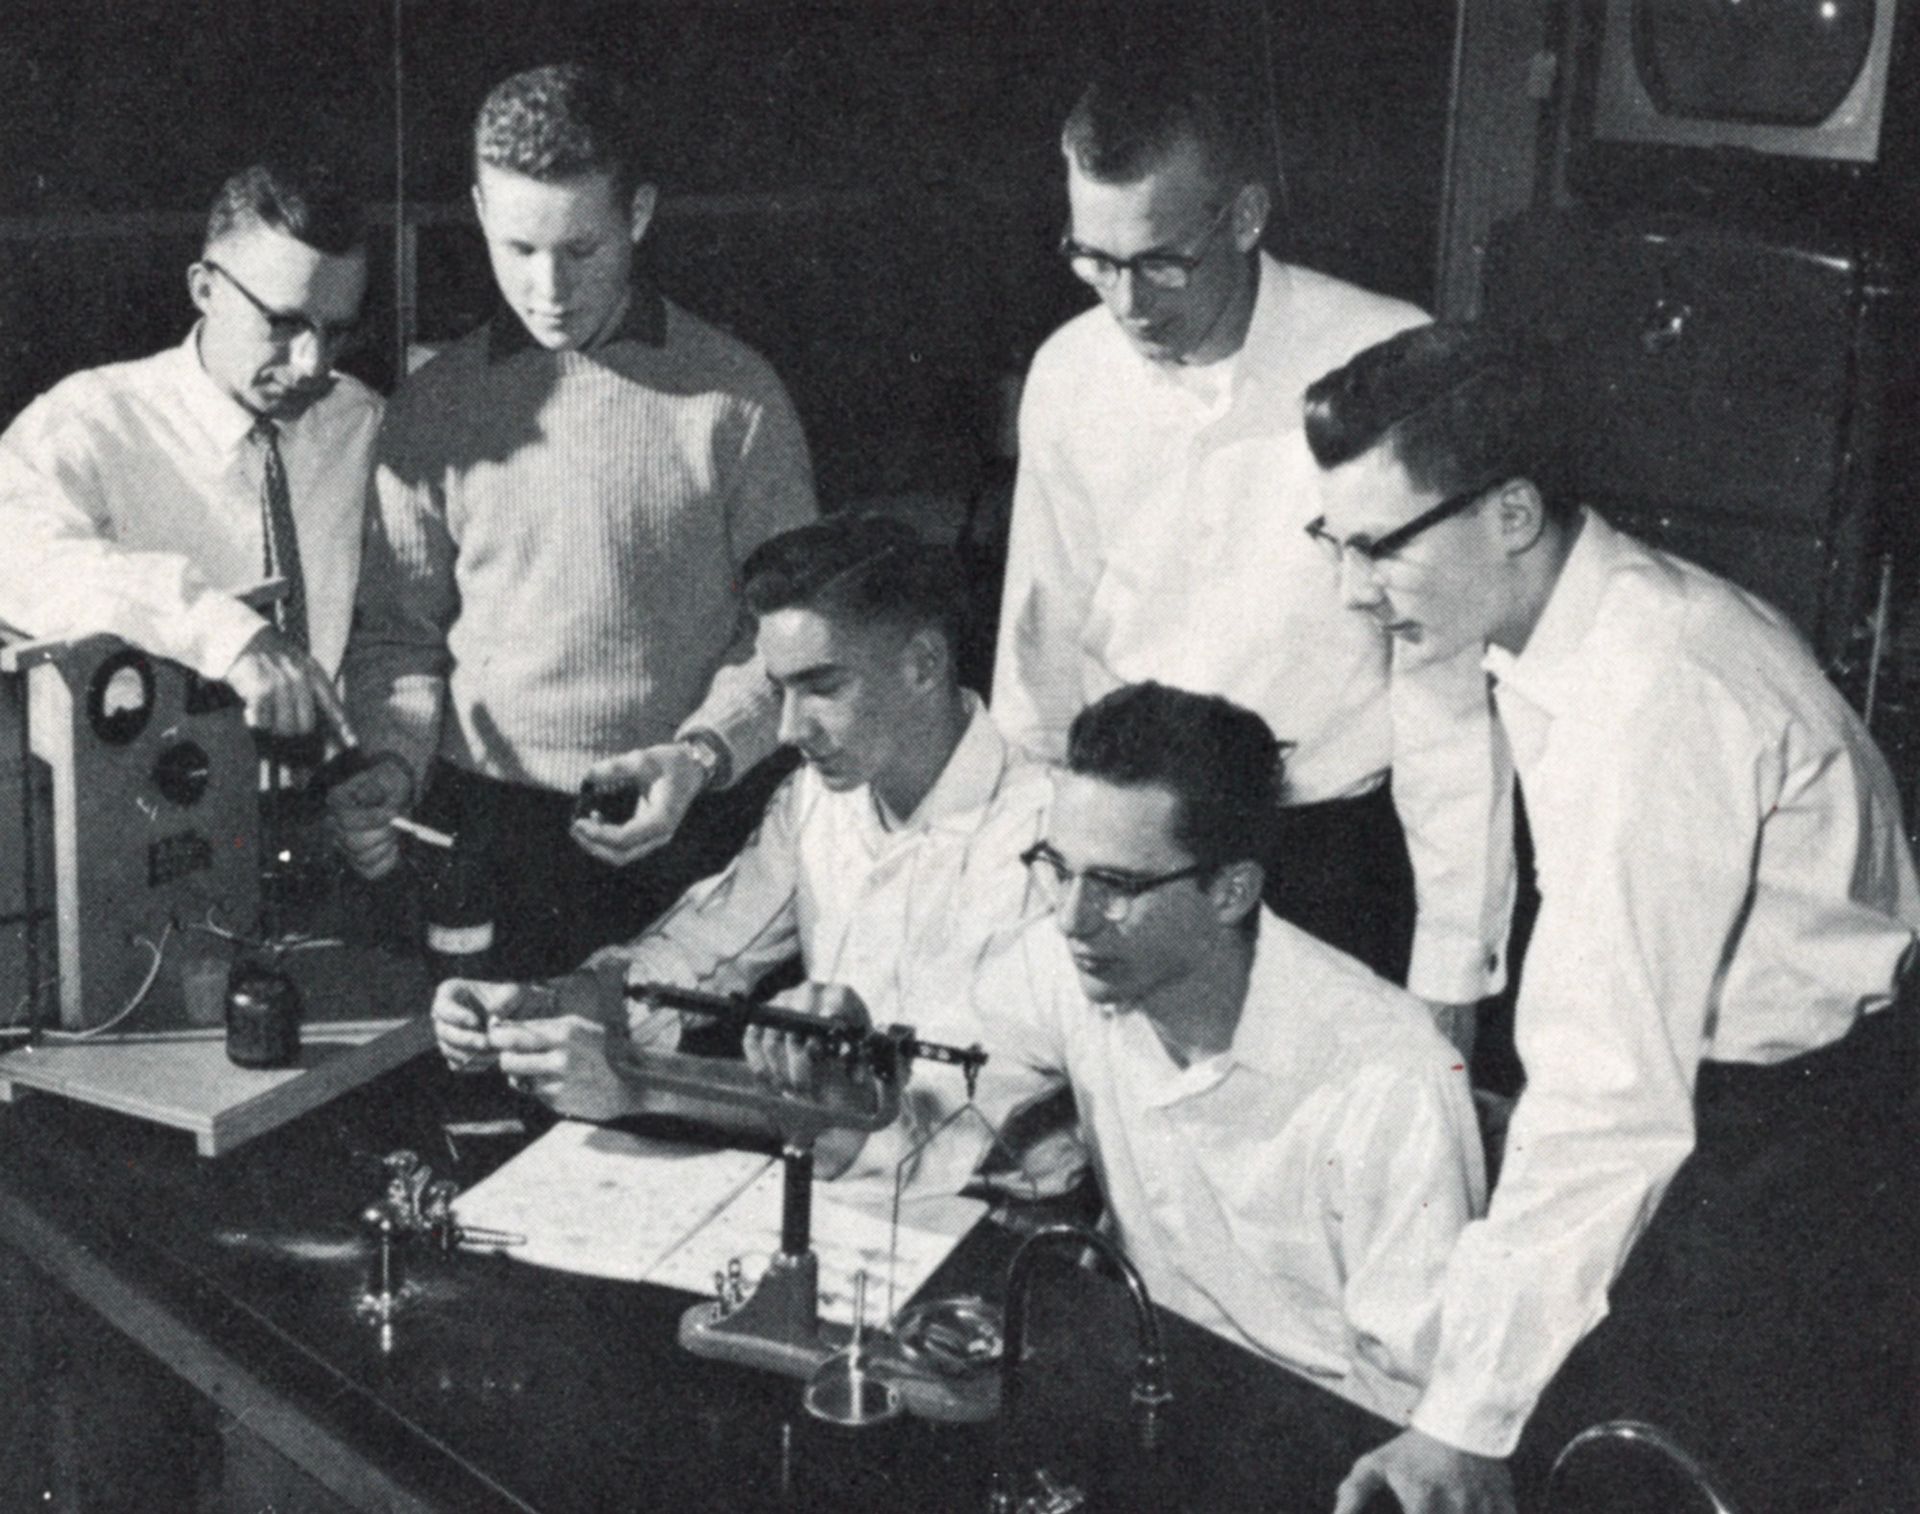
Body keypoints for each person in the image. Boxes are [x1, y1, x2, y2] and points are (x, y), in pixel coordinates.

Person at [1306, 322, 1920, 1514]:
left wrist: (1462, 1427)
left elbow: (1609, 1094)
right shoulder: (1566, 610)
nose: (1350, 587)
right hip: (1738, 1085)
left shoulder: (1656, 691)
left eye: (1379, 546)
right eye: (1334, 540)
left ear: (1514, 513)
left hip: (1809, 1124)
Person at [765, 680, 1484, 1418]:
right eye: (1060, 867)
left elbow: (1416, 1401)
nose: (1073, 917)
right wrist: (851, 1095)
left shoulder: (1393, 1075)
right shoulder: (1064, 967)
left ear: (1231, 891)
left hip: (1315, 1429)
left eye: (1116, 885)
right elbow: (934, 1113)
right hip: (1142, 1382)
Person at [990, 56, 1502, 1020]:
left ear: (1245, 216)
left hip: (1323, 862)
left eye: (1161, 261)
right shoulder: (1068, 373)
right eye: (1095, 260)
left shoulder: (1384, 361)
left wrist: (1449, 974)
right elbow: (1039, 659)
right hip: (1127, 857)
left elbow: (1448, 707)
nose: (1128, 303)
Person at [331, 63, 816, 977]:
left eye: (581, 250)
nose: (546, 286)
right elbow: (398, 643)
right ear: (477, 211)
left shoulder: (737, 400)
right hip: (479, 838)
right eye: (518, 248)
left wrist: (703, 755)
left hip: (683, 828)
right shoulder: (430, 411)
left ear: (638, 213)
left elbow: (784, 643)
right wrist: (389, 767)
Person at [431, 514, 1065, 1195]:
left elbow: (936, 1120)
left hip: (994, 1229)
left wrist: (641, 1084)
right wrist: (538, 1005)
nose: (790, 728)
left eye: (822, 687)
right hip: (842, 1202)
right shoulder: (816, 802)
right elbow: (690, 961)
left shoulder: (1048, 837)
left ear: (923, 665)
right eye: (781, 689)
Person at [0, 162, 375, 739]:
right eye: (282, 323)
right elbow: (12, 553)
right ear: (204, 289)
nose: (313, 363)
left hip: (329, 797)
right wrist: (227, 633)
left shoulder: (363, 423)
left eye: (337, 331)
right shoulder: (93, 420)